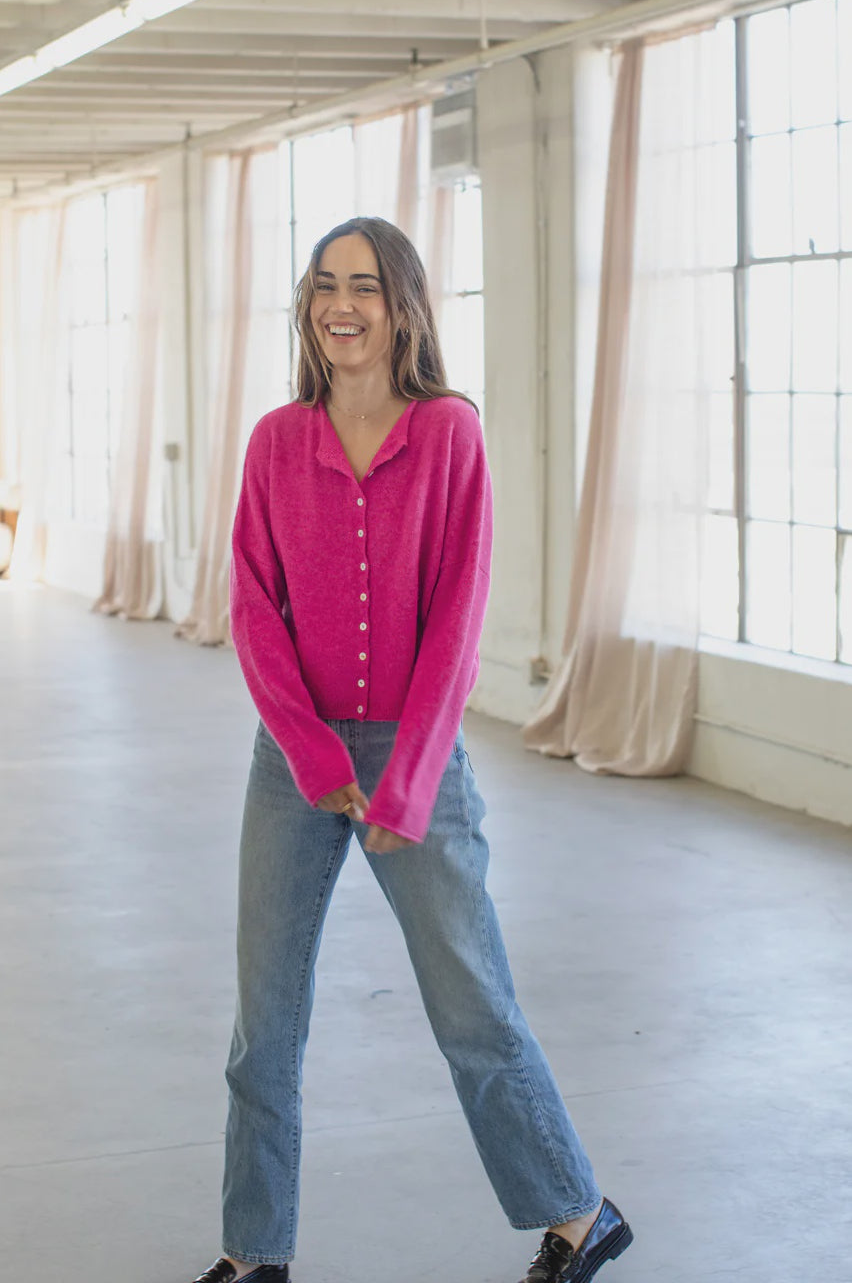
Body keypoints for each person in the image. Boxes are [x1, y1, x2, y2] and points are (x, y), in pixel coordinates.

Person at [190, 218, 633, 1283]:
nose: (342, 304)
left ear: (404, 306)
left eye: (366, 286)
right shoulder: (272, 442)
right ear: (307, 305)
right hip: (292, 761)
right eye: (325, 285)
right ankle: (254, 1254)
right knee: (265, 1023)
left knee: (469, 1002)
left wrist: (409, 777)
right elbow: (253, 608)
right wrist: (309, 755)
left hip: (413, 755)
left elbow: (456, 618)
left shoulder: (447, 433)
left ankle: (580, 1215)